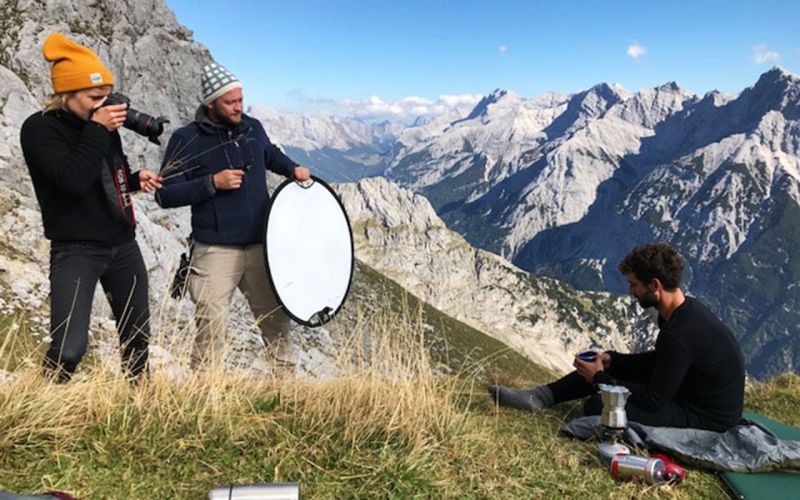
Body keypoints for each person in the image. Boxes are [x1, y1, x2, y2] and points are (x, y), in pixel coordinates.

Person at [20, 33, 163, 383]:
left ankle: (140, 410)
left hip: (123, 245)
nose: (104, 104)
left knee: (137, 341)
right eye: (94, 97)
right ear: (66, 94)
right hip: (76, 249)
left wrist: (132, 180)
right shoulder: (39, 129)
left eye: (106, 97)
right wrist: (98, 129)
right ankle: (37, 409)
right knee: (69, 348)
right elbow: (71, 181)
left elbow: (102, 175)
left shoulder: (100, 125)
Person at [488, 243, 746, 432]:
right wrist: (615, 361)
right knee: (605, 377)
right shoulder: (680, 313)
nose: (630, 292)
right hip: (689, 392)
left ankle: (548, 396)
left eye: (635, 285)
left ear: (655, 286)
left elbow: (653, 401)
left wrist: (599, 379)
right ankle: (540, 396)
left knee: (598, 406)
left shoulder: (679, 333)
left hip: (707, 419)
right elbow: (662, 361)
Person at [155, 63, 310, 372]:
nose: (239, 106)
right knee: (210, 329)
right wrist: (212, 183)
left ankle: (289, 395)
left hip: (259, 248)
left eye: (241, 99)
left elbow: (270, 155)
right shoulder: (186, 139)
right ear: (210, 103)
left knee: (276, 326)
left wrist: (292, 168)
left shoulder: (253, 127)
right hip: (214, 250)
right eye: (231, 102)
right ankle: (205, 398)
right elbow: (165, 194)